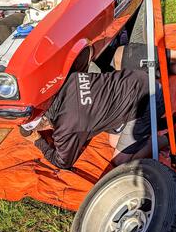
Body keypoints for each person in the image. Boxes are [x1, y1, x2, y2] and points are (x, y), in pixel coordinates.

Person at [22, 69, 168, 169]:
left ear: (44, 123)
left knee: (119, 162)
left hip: (148, 101)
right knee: (114, 142)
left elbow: (63, 162)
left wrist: (38, 141)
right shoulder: (63, 81)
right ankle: (156, 126)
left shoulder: (67, 126)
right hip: (137, 79)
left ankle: (165, 139)